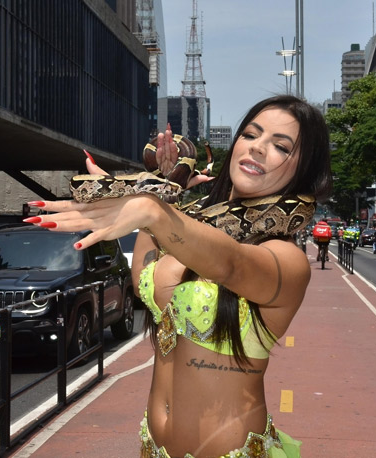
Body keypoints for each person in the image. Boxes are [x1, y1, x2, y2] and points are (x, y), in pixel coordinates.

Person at [24, 95, 332, 457]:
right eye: (250, 135)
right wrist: (160, 184)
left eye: (281, 146)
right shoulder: (186, 230)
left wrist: (150, 206)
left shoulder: (286, 260)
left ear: (303, 169)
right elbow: (144, 279)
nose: (258, 148)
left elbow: (229, 264)